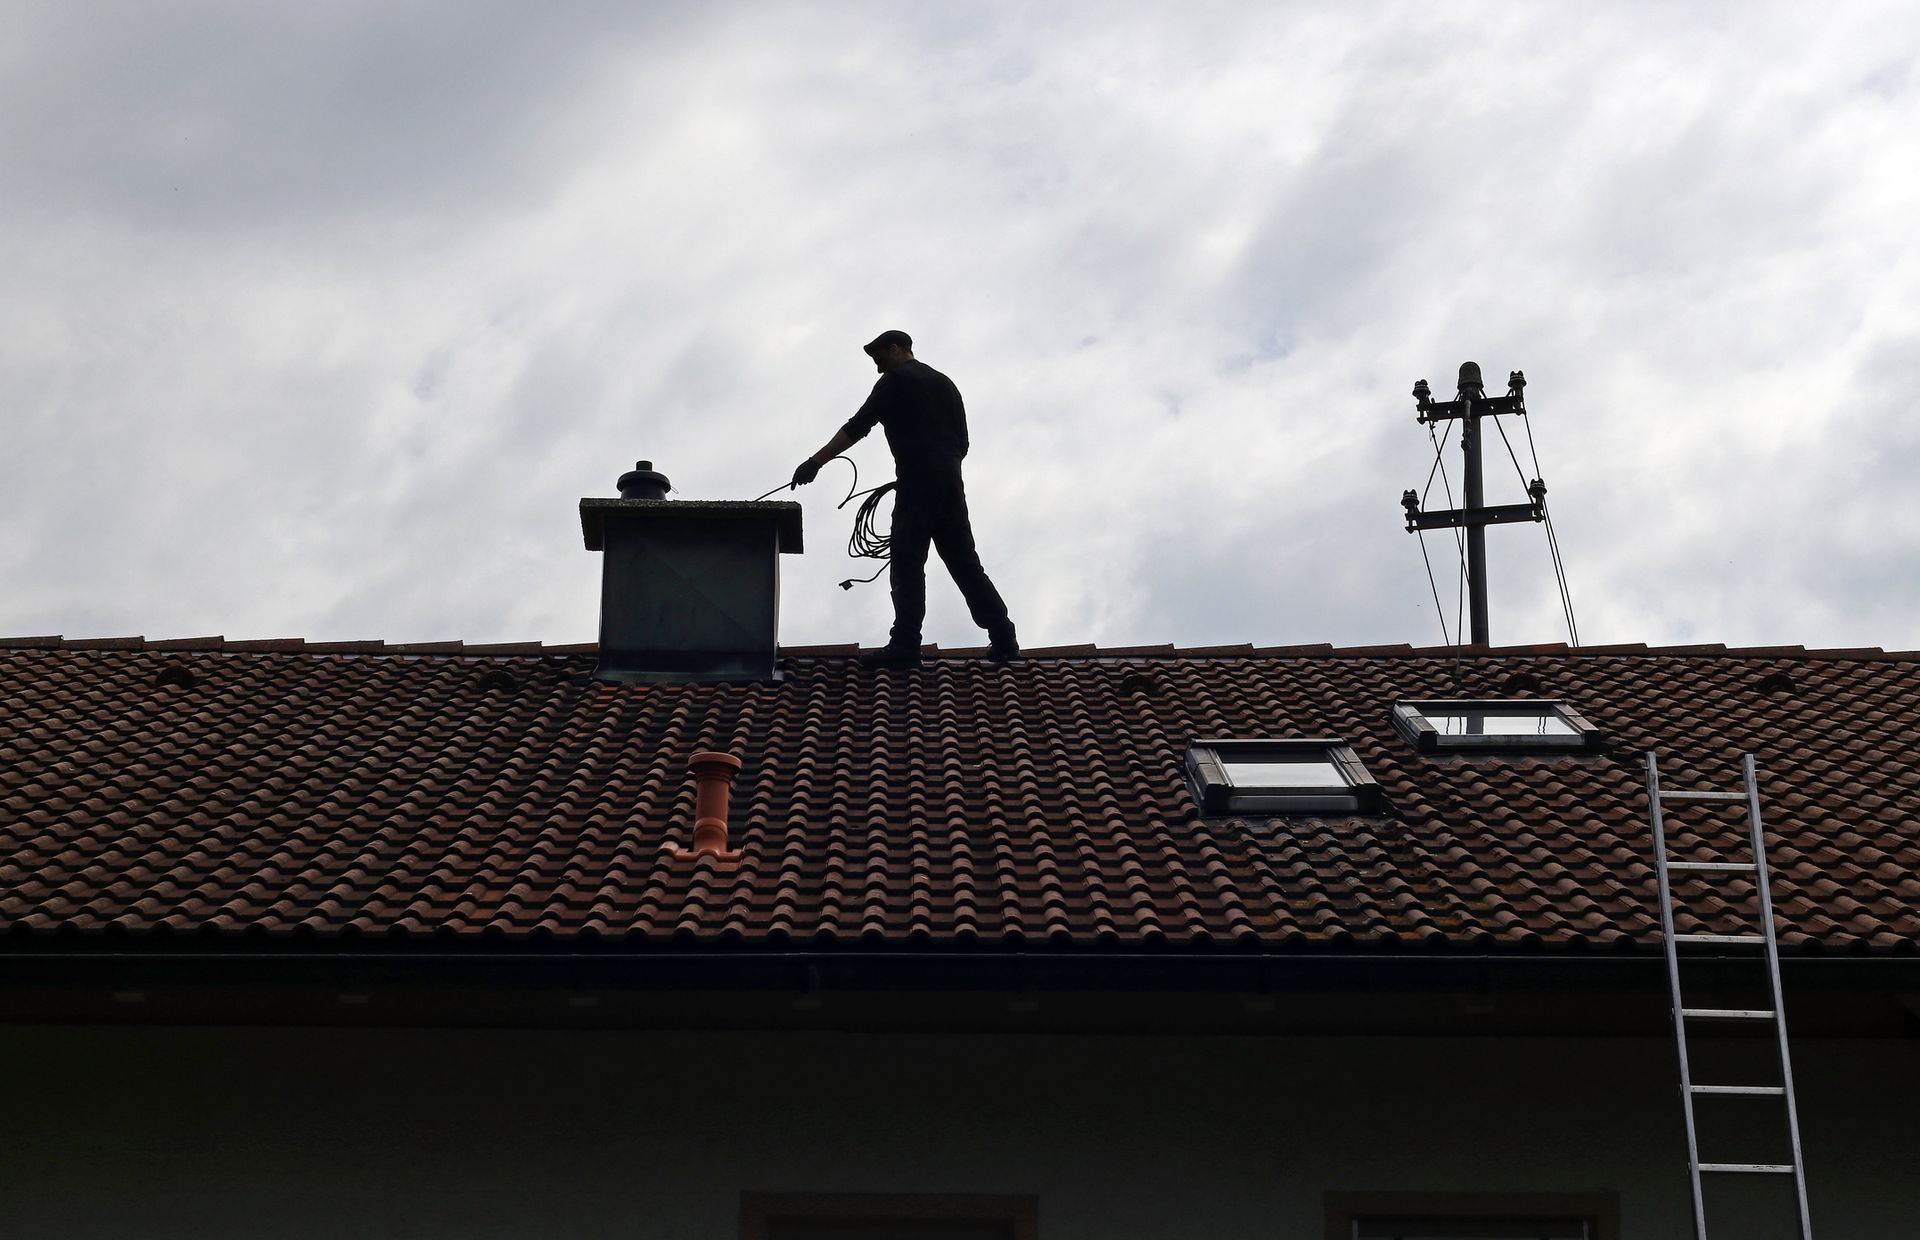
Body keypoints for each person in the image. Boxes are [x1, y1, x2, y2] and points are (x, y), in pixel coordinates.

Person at [793, 330, 1019, 666]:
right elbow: (963, 445)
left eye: (880, 359)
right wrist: (938, 467)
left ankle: (905, 645)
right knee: (965, 564)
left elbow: (858, 426)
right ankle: (1004, 638)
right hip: (951, 488)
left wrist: (815, 462)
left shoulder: (895, 382)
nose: (878, 369)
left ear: (897, 349)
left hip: (917, 486)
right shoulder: (947, 384)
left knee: (907, 562)